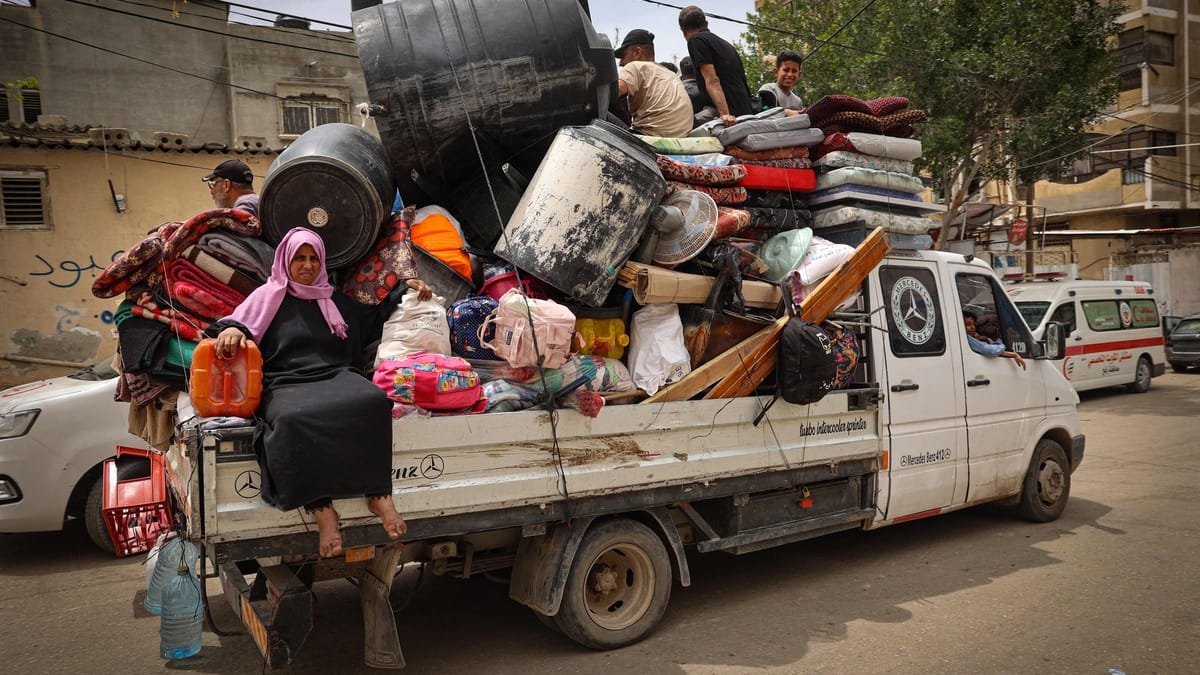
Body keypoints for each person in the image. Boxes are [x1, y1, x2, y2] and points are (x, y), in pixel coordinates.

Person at [211, 228, 432, 558]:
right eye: (299, 258)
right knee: (291, 419)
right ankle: (322, 510)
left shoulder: (333, 300)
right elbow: (237, 324)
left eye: (314, 258)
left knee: (372, 401)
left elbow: (370, 319)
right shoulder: (267, 297)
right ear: (285, 261)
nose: (307, 265)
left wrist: (405, 289)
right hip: (285, 383)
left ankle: (379, 495)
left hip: (337, 375)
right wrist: (230, 330)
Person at [678, 5, 754, 124]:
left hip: (728, 112)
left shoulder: (696, 40)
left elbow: (712, 81)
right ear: (706, 24)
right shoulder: (726, 45)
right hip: (746, 110)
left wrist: (725, 115)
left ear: (683, 30)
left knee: (681, 124)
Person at [614, 29, 694, 138]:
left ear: (637, 52)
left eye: (623, 56)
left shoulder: (635, 66)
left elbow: (612, 92)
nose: (621, 63)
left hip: (647, 136)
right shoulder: (671, 75)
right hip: (679, 137)